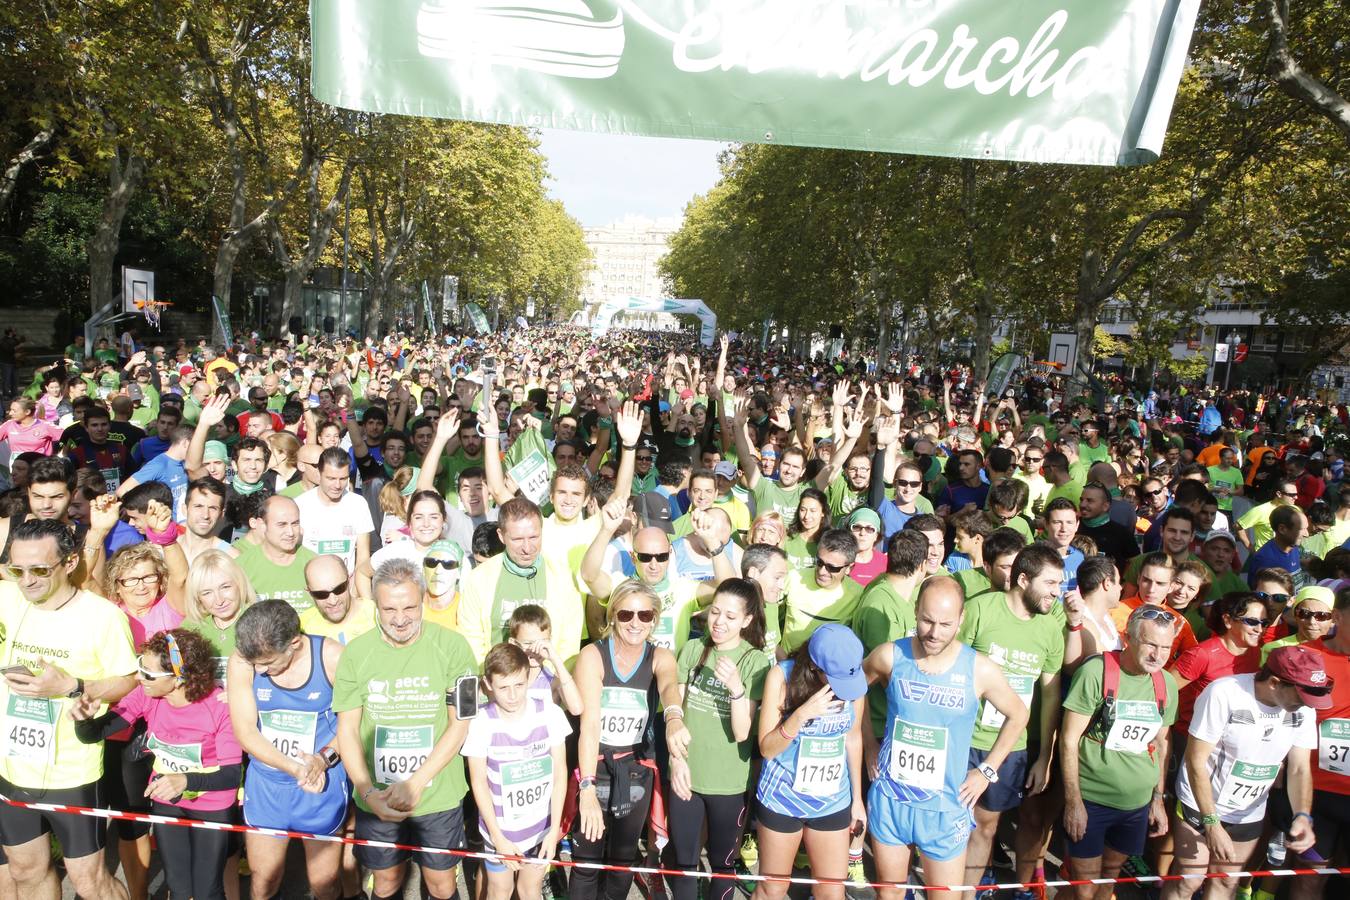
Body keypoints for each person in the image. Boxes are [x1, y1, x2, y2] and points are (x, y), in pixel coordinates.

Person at [863, 576, 1029, 898]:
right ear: (915, 611)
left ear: (961, 620)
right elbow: (856, 692)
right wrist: (869, 744)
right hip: (892, 799)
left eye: (945, 624)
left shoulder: (979, 669)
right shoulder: (889, 656)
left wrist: (987, 771)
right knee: (889, 895)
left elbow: (1019, 714)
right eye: (926, 620)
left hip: (945, 807)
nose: (934, 633)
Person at [0, 519, 137, 900]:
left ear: (70, 561)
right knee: (26, 872)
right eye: (17, 570)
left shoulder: (103, 616)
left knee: (89, 882)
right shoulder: (7, 600)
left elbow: (128, 679)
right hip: (12, 766)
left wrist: (73, 686)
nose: (27, 580)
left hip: (72, 772)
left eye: (40, 570)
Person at [333, 557, 477, 900]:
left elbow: (461, 725)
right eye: (389, 609)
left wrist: (414, 783)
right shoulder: (355, 654)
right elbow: (348, 731)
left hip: (437, 793)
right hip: (377, 796)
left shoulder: (456, 648)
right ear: (375, 607)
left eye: (410, 607)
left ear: (424, 599)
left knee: (442, 887)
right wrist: (367, 793)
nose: (400, 619)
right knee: (386, 882)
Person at [73, 629, 241, 900]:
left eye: (149, 673)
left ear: (179, 678)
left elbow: (232, 776)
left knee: (207, 890)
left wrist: (186, 780)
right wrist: (83, 719)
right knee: (178, 885)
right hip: (168, 799)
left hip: (211, 803)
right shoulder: (146, 696)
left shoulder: (219, 707)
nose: (139, 677)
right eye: (141, 666)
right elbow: (92, 735)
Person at [1162, 646, 1327, 900]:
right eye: (1301, 696)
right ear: (1274, 682)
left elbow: (1299, 767)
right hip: (1201, 800)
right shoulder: (1224, 693)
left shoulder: (1304, 707)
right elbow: (1195, 760)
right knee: (1189, 880)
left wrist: (1303, 815)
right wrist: (1212, 822)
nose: (1306, 704)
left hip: (1248, 810)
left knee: (1226, 883)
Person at [570, 580, 689, 900]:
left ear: (655, 619)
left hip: (636, 768)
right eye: (626, 615)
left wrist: (675, 717)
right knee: (586, 861)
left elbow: (669, 688)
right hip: (595, 763)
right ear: (612, 616)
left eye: (645, 615)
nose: (635, 622)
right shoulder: (592, 655)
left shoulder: (660, 656)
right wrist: (587, 788)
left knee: (622, 861)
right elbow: (591, 725)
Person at [957, 545, 1067, 887]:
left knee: (986, 826)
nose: (1056, 592)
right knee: (951, 823)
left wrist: (1044, 757)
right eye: (1050, 583)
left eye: (1059, 584)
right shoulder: (979, 610)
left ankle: (969, 892)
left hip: (1009, 746)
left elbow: (1049, 695)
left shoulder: (1050, 629)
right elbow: (951, 666)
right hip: (963, 739)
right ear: (1022, 579)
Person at [228, 600, 349, 900]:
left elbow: (352, 725)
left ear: (294, 643)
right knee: (264, 880)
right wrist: (295, 767)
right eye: (256, 663)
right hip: (269, 785)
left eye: (268, 663)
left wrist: (321, 760)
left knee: (324, 884)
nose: (261, 670)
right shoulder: (243, 660)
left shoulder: (332, 657)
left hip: (321, 782)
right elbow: (245, 732)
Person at [1059, 605, 1179, 900]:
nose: (1158, 655)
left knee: (1110, 875)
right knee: (1083, 886)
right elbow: (1068, 739)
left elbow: (1162, 743)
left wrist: (1157, 799)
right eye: (1150, 644)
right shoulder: (1096, 671)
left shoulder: (1167, 684)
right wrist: (1073, 801)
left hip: (1135, 805)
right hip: (1093, 799)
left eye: (1165, 647)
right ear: (1128, 639)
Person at [669, 579, 772, 900]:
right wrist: (675, 760)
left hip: (729, 785)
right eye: (715, 612)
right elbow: (677, 714)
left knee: (722, 864)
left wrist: (736, 689)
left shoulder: (755, 662)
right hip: (687, 776)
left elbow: (743, 733)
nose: (719, 622)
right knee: (684, 863)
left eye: (730, 616)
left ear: (747, 620)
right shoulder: (693, 650)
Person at [751, 624, 868, 900]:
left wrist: (858, 800)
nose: (844, 689)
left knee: (831, 890)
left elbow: (853, 738)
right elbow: (767, 749)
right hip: (782, 798)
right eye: (835, 679)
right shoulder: (781, 677)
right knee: (774, 888)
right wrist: (800, 716)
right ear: (814, 666)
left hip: (832, 800)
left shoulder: (853, 681)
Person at [463, 642, 572, 900]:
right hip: (500, 832)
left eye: (519, 685)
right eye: (503, 687)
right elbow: (478, 783)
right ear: (488, 685)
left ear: (527, 679)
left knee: (529, 889)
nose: (512, 695)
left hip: (541, 829)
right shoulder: (481, 723)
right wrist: (498, 838)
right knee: (501, 890)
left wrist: (554, 831)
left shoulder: (550, 714)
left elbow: (560, 775)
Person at [458, 497, 585, 664]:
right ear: (501, 536)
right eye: (517, 540)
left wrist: (554, 681)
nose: (527, 548)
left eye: (534, 537)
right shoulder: (479, 578)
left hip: (549, 683)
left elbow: (569, 643)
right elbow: (471, 640)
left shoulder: (562, 576)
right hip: (498, 682)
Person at [781, 528, 864, 654]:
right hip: (788, 663)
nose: (822, 571)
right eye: (819, 562)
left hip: (825, 670)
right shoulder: (794, 577)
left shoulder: (858, 595)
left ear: (848, 568)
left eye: (832, 568)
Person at [180, 549, 255, 687]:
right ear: (197, 597)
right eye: (207, 593)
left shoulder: (260, 621)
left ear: (239, 584)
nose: (219, 600)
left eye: (225, 587)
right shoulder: (190, 629)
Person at [296, 447, 374, 575]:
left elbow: (363, 556)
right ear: (319, 473)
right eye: (331, 478)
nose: (337, 485)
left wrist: (353, 590)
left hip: (347, 585)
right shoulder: (300, 505)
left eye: (343, 479)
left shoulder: (358, 504)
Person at [234, 495, 318, 612]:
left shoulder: (315, 563)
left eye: (295, 524)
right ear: (262, 525)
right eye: (282, 524)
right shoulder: (241, 567)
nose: (290, 532)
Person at [300, 553, 375, 644]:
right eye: (321, 594)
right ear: (309, 592)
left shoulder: (376, 615)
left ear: (349, 582)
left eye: (339, 589)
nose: (333, 601)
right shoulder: (302, 626)